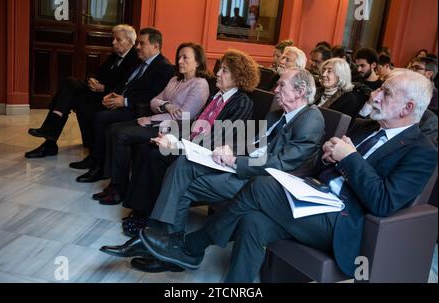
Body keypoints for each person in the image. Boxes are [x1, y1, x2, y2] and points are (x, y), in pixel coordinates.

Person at [139, 68, 438, 282]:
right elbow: (323, 167)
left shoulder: (422, 151)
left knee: (261, 187)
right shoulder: (368, 127)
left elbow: (384, 202)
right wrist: (330, 157)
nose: (374, 95)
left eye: (385, 92)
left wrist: (350, 159)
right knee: (254, 222)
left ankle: (193, 247)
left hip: (344, 222)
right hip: (314, 196)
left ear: (408, 107)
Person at [100, 68, 326, 274]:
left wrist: (235, 161)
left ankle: (161, 245)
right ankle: (163, 243)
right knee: (183, 165)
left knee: (184, 183)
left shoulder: (310, 119)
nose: (275, 89)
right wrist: (229, 149)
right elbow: (254, 142)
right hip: (244, 168)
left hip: (262, 184)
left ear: (300, 91)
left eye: (282, 85)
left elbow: (281, 164)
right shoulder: (277, 114)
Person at [100, 49, 259, 239]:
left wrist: (178, 145)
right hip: (194, 145)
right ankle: (140, 210)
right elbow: (196, 124)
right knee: (147, 147)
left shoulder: (242, 102)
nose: (217, 73)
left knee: (156, 156)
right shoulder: (217, 96)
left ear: (238, 76)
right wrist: (171, 135)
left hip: (209, 155)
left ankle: (145, 215)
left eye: (224, 70)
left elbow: (219, 138)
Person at [91, 42, 210, 202]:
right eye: (179, 57)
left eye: (185, 58)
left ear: (197, 62)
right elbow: (154, 101)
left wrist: (151, 119)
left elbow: (183, 116)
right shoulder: (175, 80)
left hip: (174, 130)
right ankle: (115, 184)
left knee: (120, 134)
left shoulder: (200, 84)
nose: (180, 61)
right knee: (112, 129)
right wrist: (167, 105)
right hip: (160, 123)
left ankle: (119, 189)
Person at [71, 27, 175, 183]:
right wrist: (112, 94)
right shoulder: (139, 62)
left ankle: (99, 167)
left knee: (101, 117)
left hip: (138, 110)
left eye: (142, 43)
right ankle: (93, 157)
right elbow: (124, 83)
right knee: (88, 108)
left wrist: (124, 101)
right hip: (122, 102)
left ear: (156, 46)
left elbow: (152, 96)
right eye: (138, 43)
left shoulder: (164, 67)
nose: (137, 47)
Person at [25, 24, 140, 158]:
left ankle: (50, 138)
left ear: (130, 41)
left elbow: (125, 84)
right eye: (114, 39)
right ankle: (50, 137)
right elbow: (99, 73)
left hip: (109, 96)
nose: (113, 42)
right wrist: (92, 80)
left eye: (118, 40)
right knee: (69, 85)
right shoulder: (115, 55)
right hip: (97, 91)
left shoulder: (134, 59)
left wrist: (104, 88)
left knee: (70, 95)